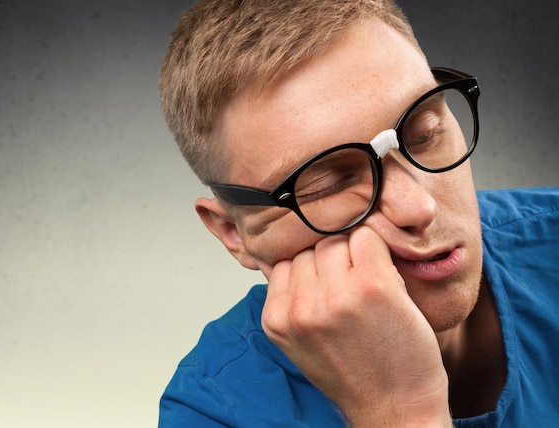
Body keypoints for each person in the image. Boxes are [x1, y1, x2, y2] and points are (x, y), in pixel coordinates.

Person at [157, 0, 559, 426]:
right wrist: (402, 411)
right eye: (328, 184)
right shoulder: (213, 408)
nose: (418, 208)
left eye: (425, 135)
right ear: (234, 232)